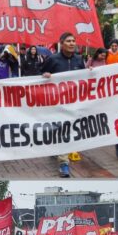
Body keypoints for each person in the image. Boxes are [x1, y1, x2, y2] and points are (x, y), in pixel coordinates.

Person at [40, 32, 86, 177]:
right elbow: (39, 75)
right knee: (62, 131)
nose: (72, 43)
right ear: (61, 43)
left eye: (73, 41)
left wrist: (91, 73)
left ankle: (58, 152)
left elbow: (84, 77)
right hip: (57, 103)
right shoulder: (52, 59)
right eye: (68, 41)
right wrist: (44, 75)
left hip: (74, 102)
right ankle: (64, 163)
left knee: (68, 130)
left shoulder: (79, 59)